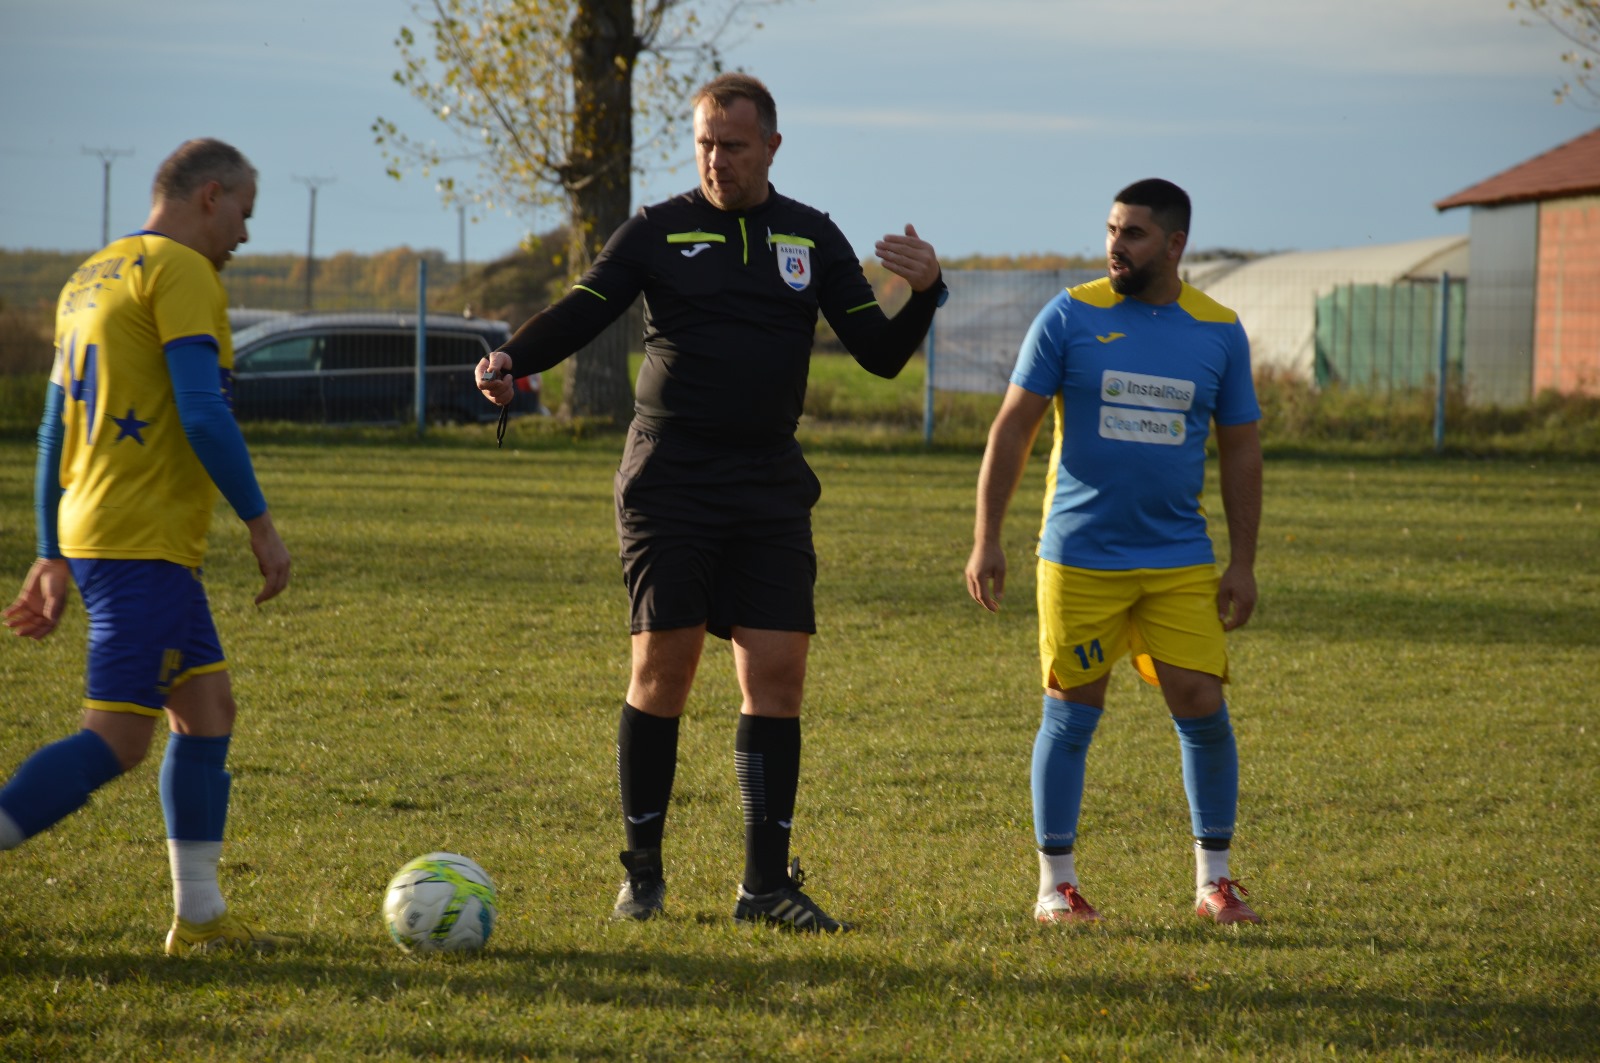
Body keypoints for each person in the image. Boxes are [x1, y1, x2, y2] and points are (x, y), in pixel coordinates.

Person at [476, 73, 946, 932]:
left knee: (778, 673)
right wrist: (512, 358)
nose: (716, 159)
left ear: (771, 145)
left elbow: (879, 356)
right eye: (704, 144)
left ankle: (765, 887)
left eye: (732, 144)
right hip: (672, 477)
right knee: (666, 668)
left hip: (768, 482)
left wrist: (924, 295)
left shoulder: (811, 235)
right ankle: (643, 873)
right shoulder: (657, 229)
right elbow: (583, 308)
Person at [1, 138, 292, 954]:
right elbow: (203, 411)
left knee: (207, 711)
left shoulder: (90, 276)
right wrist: (260, 523)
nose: (244, 234)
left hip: (106, 532)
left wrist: (52, 549)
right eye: (243, 212)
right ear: (210, 195)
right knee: (117, 738)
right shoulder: (182, 271)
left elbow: (53, 429)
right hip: (143, 540)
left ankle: (199, 917)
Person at [964, 178, 1263, 926]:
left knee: (1202, 705)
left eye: (1133, 233)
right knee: (1071, 714)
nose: (1115, 246)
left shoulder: (1220, 330)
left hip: (1179, 560)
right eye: (1110, 230)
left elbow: (1242, 449)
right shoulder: (1069, 315)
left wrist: (1243, 560)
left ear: (1175, 243)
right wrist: (986, 537)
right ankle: (1056, 887)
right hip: (1080, 558)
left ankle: (1215, 881)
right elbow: (1013, 427)